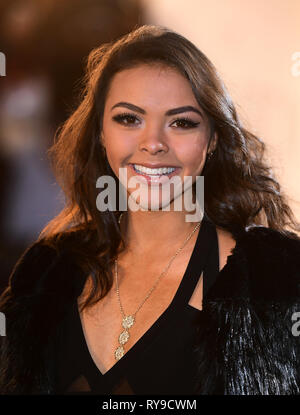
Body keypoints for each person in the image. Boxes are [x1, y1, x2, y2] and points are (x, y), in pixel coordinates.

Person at [0, 24, 300, 395]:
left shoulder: (273, 280)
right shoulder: (45, 272)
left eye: (181, 122)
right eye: (129, 118)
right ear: (100, 133)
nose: (154, 143)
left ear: (212, 139)